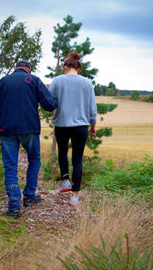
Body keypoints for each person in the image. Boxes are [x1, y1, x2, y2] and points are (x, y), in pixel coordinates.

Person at [0, 59, 58, 219]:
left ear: (16, 68)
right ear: (28, 69)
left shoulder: (3, 82)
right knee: (34, 160)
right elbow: (48, 105)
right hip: (29, 129)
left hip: (6, 130)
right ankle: (30, 196)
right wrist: (58, 100)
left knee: (10, 166)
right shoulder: (33, 80)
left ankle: (13, 207)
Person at [48, 51, 97, 206]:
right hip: (81, 126)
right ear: (78, 68)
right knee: (77, 159)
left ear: (65, 66)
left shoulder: (57, 80)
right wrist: (93, 124)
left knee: (62, 152)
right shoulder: (87, 83)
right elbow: (92, 107)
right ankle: (75, 196)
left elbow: (50, 102)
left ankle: (65, 181)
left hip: (62, 124)